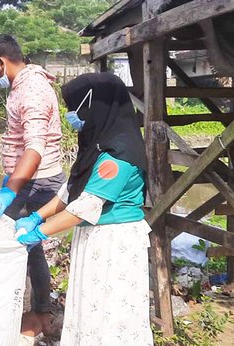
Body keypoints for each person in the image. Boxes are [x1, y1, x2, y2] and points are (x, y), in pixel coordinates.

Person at [15, 72, 151, 345]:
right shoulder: (95, 148)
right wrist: (35, 217)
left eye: (75, 107)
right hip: (94, 240)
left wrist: (39, 232)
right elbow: (69, 194)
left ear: (94, 106)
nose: (71, 115)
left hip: (115, 243)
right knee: (89, 307)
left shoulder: (118, 154)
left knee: (111, 314)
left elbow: (83, 208)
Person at [0, 34, 65, 336]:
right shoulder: (22, 86)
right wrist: (10, 180)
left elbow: (35, 148)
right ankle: (36, 311)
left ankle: (31, 313)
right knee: (31, 246)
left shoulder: (31, 90)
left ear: (1, 62)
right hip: (25, 178)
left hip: (38, 180)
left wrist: (10, 190)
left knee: (21, 243)